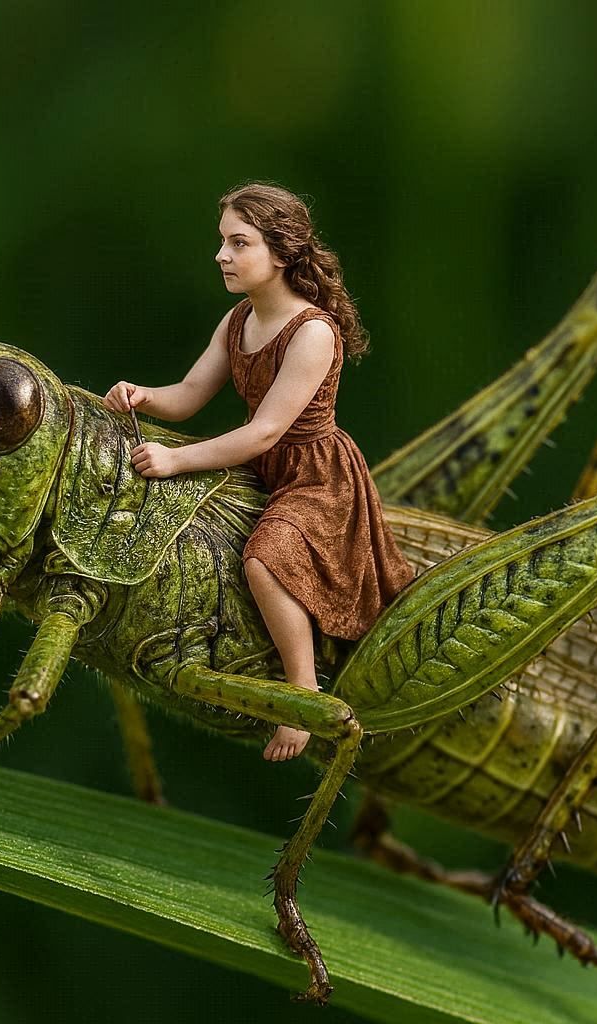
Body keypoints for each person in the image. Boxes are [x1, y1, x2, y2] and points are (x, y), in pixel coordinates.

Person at [103, 183, 415, 762]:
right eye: (222, 241)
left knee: (264, 559)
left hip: (316, 478)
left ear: (281, 253)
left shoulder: (314, 333)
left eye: (238, 243)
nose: (221, 255)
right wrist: (143, 396)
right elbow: (191, 395)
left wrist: (174, 459)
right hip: (263, 468)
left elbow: (265, 431)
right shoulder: (238, 319)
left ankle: (302, 699)